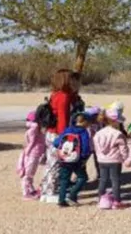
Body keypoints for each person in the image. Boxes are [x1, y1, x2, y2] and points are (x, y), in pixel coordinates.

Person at [41, 69, 82, 204]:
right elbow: (63, 118)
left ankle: (47, 190)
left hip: (51, 133)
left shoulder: (56, 94)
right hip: (58, 134)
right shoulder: (63, 96)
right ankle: (50, 192)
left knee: (51, 162)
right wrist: (66, 136)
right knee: (56, 164)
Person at [92, 108, 130, 209]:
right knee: (115, 180)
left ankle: (100, 199)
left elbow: (96, 147)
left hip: (102, 160)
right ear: (115, 121)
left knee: (103, 180)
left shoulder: (98, 133)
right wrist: (126, 159)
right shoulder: (118, 134)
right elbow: (124, 149)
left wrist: (99, 157)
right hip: (115, 160)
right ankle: (117, 201)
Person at [53, 113, 92, 207]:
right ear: (84, 122)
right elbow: (86, 147)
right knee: (83, 178)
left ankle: (61, 200)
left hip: (64, 159)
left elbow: (56, 143)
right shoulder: (83, 132)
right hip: (77, 160)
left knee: (64, 180)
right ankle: (72, 195)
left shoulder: (67, 130)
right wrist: (84, 158)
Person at [18, 112, 46, 200]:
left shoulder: (38, 131)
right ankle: (26, 193)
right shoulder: (33, 131)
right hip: (31, 155)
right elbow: (32, 142)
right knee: (28, 174)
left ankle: (30, 189)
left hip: (35, 154)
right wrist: (27, 152)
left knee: (31, 174)